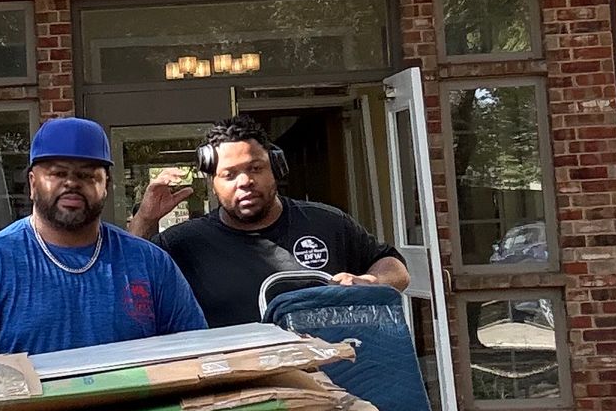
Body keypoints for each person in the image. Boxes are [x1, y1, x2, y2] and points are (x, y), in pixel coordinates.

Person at [0, 116, 206, 361]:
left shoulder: (150, 264)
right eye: (57, 173)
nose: (71, 183)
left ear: (106, 185)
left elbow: (197, 357)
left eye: (86, 175)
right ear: (33, 184)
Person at [130, 115, 408, 328]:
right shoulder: (184, 243)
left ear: (276, 169)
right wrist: (146, 218)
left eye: (255, 168)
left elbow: (396, 268)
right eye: (229, 174)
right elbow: (130, 278)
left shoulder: (326, 222)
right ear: (212, 183)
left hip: (327, 381)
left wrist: (370, 281)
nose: (245, 182)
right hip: (236, 389)